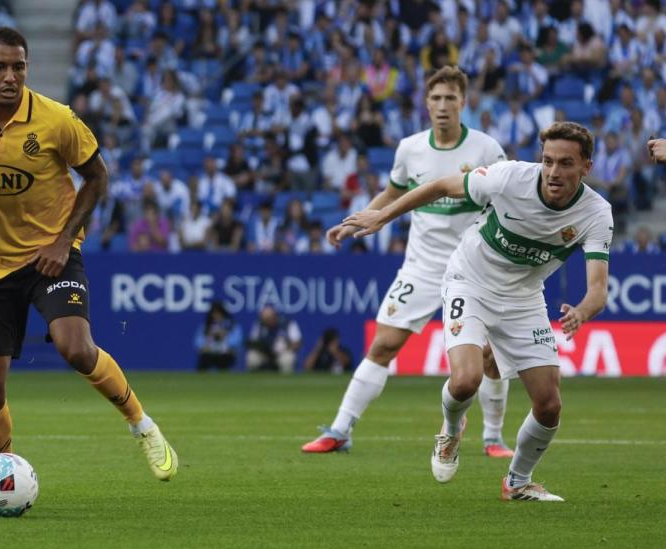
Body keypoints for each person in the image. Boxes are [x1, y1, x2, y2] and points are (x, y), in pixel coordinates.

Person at [0, 27, 177, 480]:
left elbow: (97, 178)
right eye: (1, 67)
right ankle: (3, 473)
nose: (11, 77)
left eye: (19, 67)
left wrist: (65, 238)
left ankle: (142, 426)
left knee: (76, 348)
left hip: (52, 255)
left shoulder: (56, 119)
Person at [345, 121, 612, 501]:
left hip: (523, 298)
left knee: (549, 404)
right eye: (547, 161)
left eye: (566, 163)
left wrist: (583, 312)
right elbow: (440, 186)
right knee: (466, 380)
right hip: (468, 280)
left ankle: (518, 482)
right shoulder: (507, 178)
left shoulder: (596, 213)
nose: (553, 172)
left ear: (586, 166)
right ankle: (451, 430)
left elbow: (598, 289)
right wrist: (382, 216)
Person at [303, 67, 514, 457]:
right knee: (383, 345)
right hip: (422, 266)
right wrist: (353, 222)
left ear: (463, 103)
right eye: (436, 98)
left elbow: (506, 200)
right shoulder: (410, 149)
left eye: (451, 98)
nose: (443, 106)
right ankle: (340, 430)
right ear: (426, 103)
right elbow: (392, 192)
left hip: (474, 269)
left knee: (489, 357)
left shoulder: (486, 149)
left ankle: (493, 437)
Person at [245, 304, 302, 374]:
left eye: (268, 319)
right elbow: (253, 341)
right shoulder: (259, 324)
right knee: (252, 357)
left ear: (274, 317)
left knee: (288, 359)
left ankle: (286, 383)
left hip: (282, 353)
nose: (266, 322)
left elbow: (297, 342)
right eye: (264, 320)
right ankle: (254, 382)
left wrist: (284, 348)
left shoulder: (287, 324)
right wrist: (261, 348)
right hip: (264, 354)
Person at [194, 301, 242, 371]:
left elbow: (237, 342)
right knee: (204, 358)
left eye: (219, 313)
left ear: (223, 313)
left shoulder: (231, 325)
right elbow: (198, 342)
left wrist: (225, 337)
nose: (216, 316)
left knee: (224, 359)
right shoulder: (206, 327)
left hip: (225, 354)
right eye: (214, 313)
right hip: (210, 353)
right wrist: (207, 340)